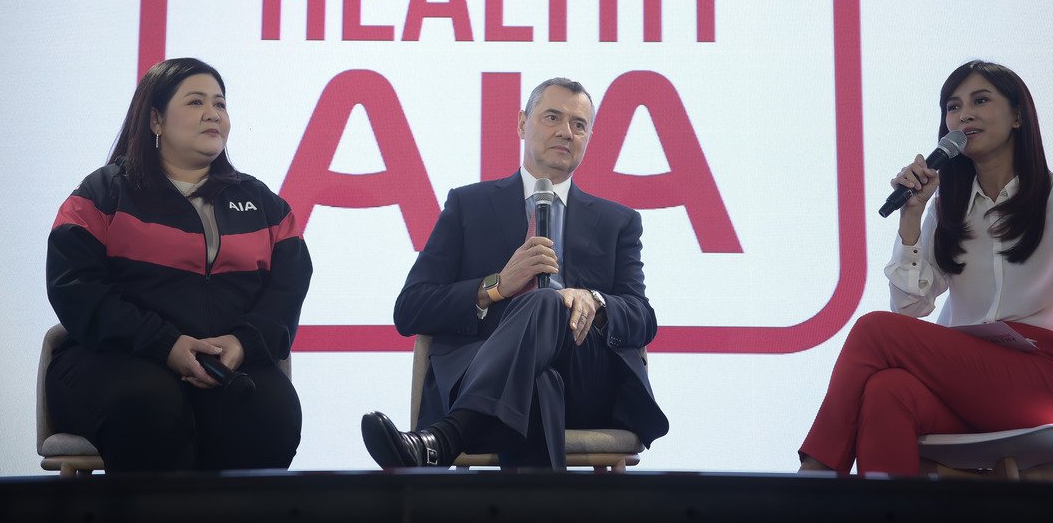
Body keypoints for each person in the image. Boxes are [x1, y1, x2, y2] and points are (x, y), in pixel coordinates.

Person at [798, 60, 1053, 477]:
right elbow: (910, 308)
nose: (964, 115)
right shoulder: (947, 209)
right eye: (953, 107)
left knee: (873, 330)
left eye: (980, 101)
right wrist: (911, 219)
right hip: (976, 382)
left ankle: (815, 478)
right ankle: (885, 507)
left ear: (1017, 116)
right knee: (887, 391)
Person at [361, 77, 668, 468]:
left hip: (584, 378)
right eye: (552, 117)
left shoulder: (617, 221)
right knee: (539, 382)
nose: (566, 132)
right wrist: (497, 286)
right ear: (523, 123)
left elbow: (642, 317)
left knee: (547, 303)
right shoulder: (467, 205)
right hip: (485, 371)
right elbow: (411, 309)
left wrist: (593, 299)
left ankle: (444, 437)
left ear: (589, 136)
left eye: (579, 124)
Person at [46, 57, 313, 472]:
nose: (213, 113)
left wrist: (244, 342)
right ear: (155, 119)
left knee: (269, 413)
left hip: (225, 364)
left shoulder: (264, 205)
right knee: (150, 404)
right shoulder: (103, 193)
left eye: (220, 104)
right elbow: (75, 285)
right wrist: (165, 345)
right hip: (113, 360)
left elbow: (288, 288)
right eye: (195, 102)